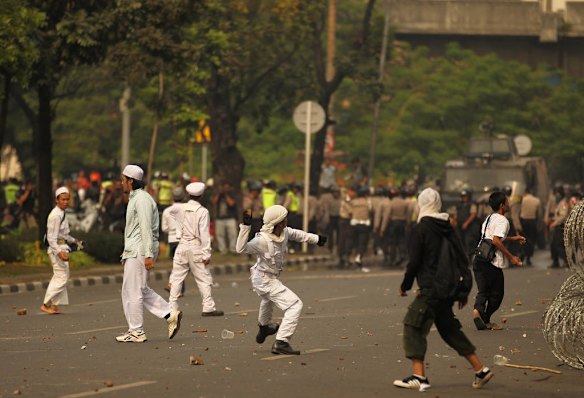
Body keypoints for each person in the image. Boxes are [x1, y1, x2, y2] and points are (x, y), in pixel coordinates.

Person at [394, 188, 493, 391]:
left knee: (413, 326)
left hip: (431, 288)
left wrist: (405, 285)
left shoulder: (421, 229)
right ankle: (480, 369)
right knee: (449, 330)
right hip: (448, 288)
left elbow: (414, 262)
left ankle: (419, 376)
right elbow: (462, 258)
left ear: (421, 204)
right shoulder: (448, 226)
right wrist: (463, 289)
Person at [236, 205, 327, 355]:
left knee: (268, 299)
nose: (286, 220)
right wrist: (245, 227)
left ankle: (264, 328)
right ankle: (282, 342)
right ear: (279, 222)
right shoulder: (262, 240)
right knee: (295, 305)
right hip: (264, 279)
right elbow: (240, 249)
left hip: (268, 278)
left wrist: (317, 239)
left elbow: (299, 235)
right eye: (284, 218)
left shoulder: (284, 232)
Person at [116, 165, 182, 343]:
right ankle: (169, 314)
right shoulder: (136, 198)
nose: (121, 182)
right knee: (139, 289)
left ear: (131, 180)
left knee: (133, 290)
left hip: (140, 249)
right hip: (136, 248)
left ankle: (136, 331)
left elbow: (145, 228)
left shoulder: (142, 200)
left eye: (123, 179)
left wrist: (147, 255)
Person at [472, 191, 526, 331]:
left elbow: (492, 238)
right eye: (507, 202)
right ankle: (486, 319)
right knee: (497, 294)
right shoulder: (503, 220)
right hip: (491, 262)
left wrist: (513, 238)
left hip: (479, 258)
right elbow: (496, 240)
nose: (509, 204)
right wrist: (511, 257)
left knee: (483, 291)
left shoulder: (489, 218)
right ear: (502, 205)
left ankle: (477, 312)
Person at [168, 182, 224, 317]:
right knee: (203, 278)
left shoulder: (178, 209)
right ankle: (208, 307)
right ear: (202, 195)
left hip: (181, 246)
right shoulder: (203, 211)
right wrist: (207, 254)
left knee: (176, 277)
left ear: (188, 194)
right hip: (196, 247)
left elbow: (171, 212)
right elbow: (204, 235)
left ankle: (172, 306)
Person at [40, 187, 81, 315]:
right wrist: (59, 252)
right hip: (56, 249)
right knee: (62, 276)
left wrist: (75, 241)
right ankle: (46, 304)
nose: (65, 202)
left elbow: (64, 235)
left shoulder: (62, 214)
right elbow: (52, 238)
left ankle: (53, 306)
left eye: (67, 199)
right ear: (57, 200)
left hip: (63, 247)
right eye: (63, 199)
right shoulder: (55, 215)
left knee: (61, 276)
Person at [211, 182, 238, 253]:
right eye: (224, 187)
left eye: (227, 188)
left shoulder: (232, 195)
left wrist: (226, 195)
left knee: (232, 234)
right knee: (220, 235)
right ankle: (222, 249)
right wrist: (219, 194)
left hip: (230, 218)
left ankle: (232, 249)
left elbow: (231, 203)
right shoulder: (219, 196)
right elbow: (214, 202)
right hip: (219, 218)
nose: (225, 189)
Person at [518, 188, 541, 266]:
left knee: (524, 239)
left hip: (523, 222)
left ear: (525, 192)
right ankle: (528, 258)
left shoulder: (522, 199)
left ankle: (522, 255)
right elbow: (538, 214)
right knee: (531, 240)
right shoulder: (536, 200)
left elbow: (518, 211)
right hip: (532, 222)